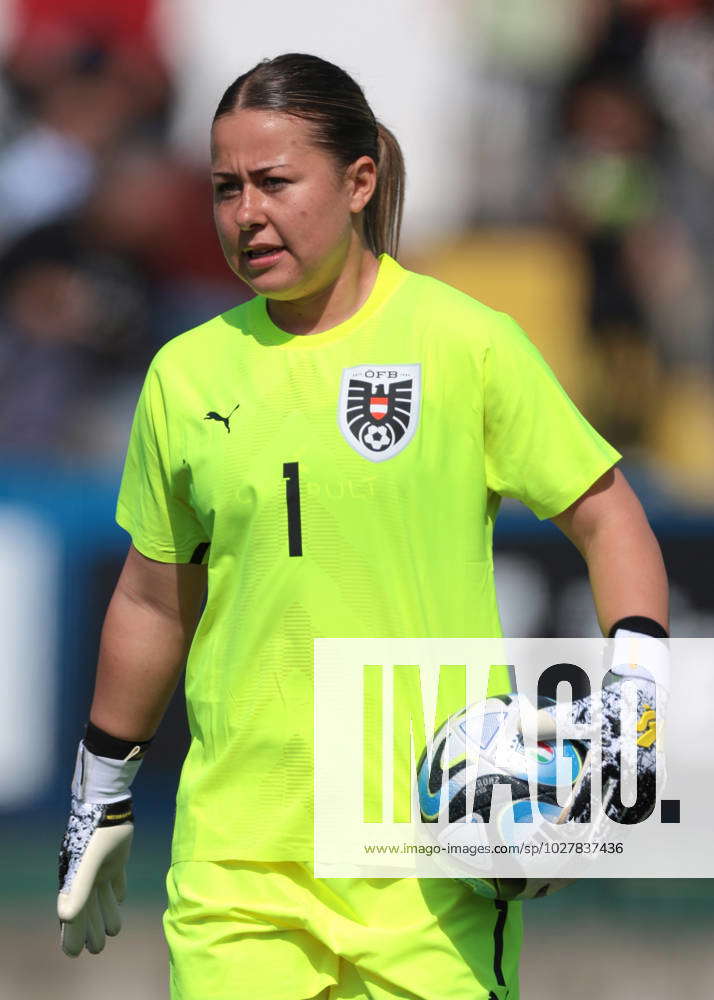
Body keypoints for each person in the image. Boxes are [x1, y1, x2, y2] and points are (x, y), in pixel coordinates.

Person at [56, 52, 669, 1000]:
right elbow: (152, 596)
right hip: (239, 862)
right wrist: (101, 783)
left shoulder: (466, 343)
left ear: (358, 182)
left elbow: (609, 516)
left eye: (274, 182)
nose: (247, 212)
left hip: (427, 849)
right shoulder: (186, 374)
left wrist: (637, 693)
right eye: (226, 188)